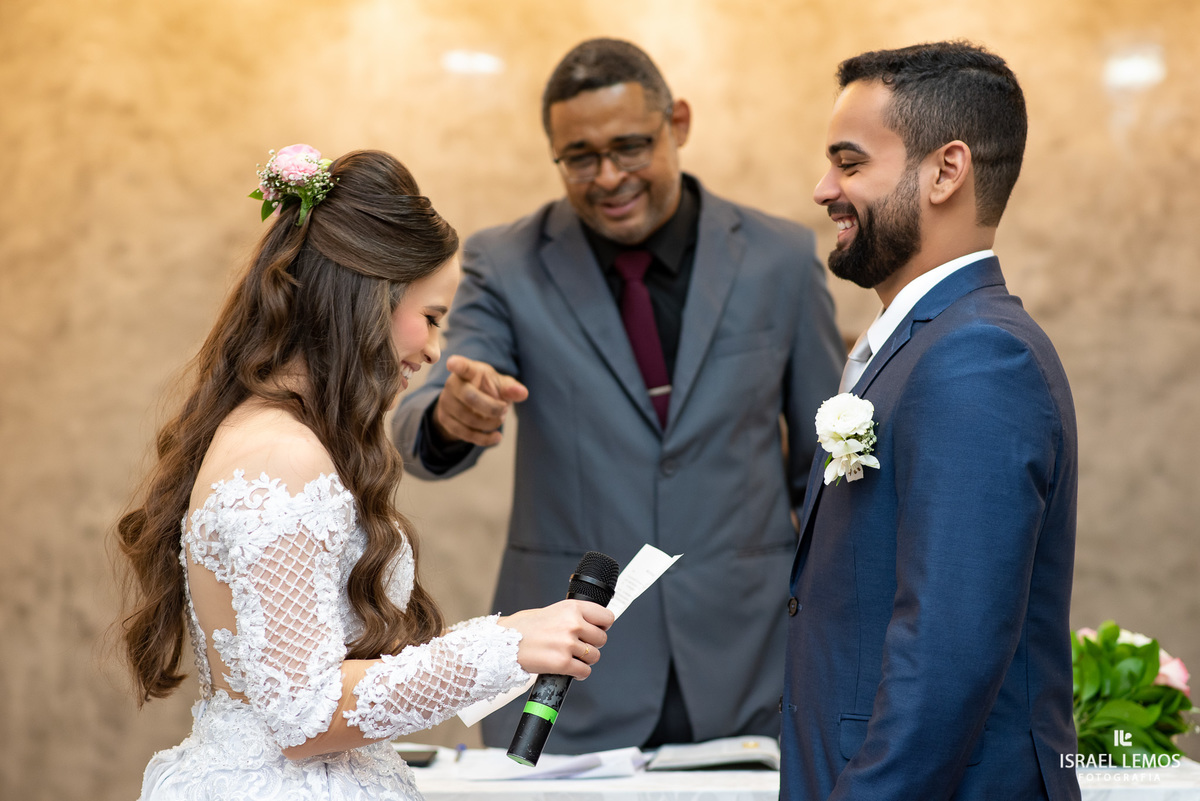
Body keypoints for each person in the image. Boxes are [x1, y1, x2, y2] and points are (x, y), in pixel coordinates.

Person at [115, 146, 613, 801]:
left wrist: (511, 640)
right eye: (431, 317)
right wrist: (503, 645)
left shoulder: (272, 432)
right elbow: (306, 714)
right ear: (370, 297)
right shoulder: (283, 457)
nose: (435, 349)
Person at [392, 38, 844, 754]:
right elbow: (431, 407)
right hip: (568, 683)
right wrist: (453, 416)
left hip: (751, 670)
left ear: (679, 124)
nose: (607, 177)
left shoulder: (781, 258)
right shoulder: (504, 262)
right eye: (579, 158)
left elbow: (826, 470)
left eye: (630, 146)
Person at [781, 42, 1080, 800]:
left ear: (946, 171)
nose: (823, 189)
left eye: (850, 164)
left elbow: (949, 650)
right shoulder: (919, 347)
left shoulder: (978, 357)